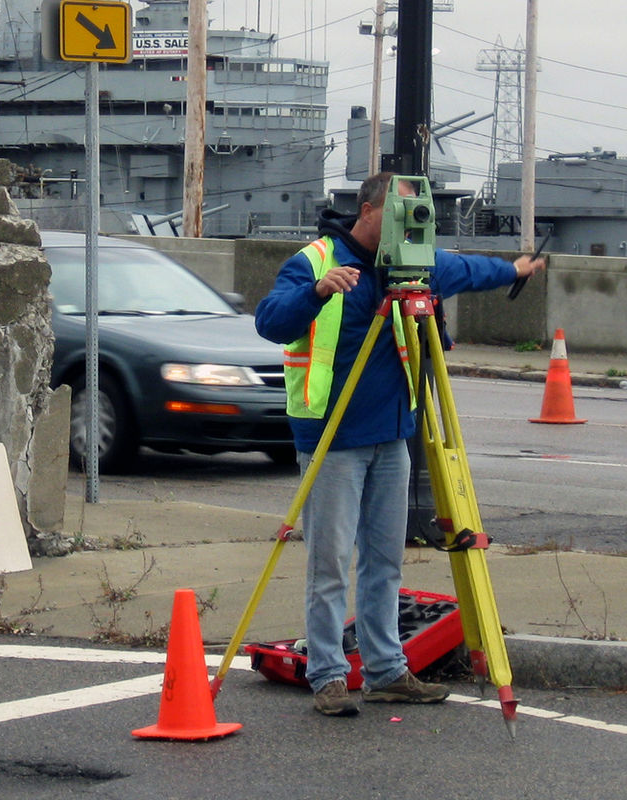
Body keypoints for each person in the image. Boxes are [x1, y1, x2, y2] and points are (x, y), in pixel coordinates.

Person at [254, 171, 544, 717]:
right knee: (331, 564)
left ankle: (387, 670)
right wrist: (317, 291)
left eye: (417, 216)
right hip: (332, 436)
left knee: (386, 560)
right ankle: (328, 674)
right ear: (368, 211)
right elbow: (270, 321)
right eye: (400, 214)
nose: (411, 226)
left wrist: (512, 269)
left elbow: (459, 268)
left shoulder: (407, 266)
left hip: (392, 436)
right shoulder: (316, 260)